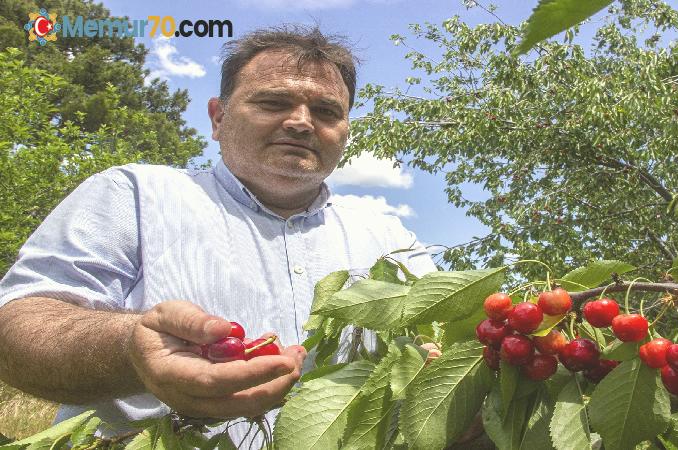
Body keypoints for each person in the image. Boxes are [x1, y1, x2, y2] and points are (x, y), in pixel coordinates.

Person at [0, 26, 436, 444]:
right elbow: (18, 326)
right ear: (218, 117)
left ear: (345, 130)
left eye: (326, 111)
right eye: (273, 102)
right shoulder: (134, 195)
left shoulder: (388, 237)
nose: (302, 122)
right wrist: (129, 349)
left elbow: (440, 349)